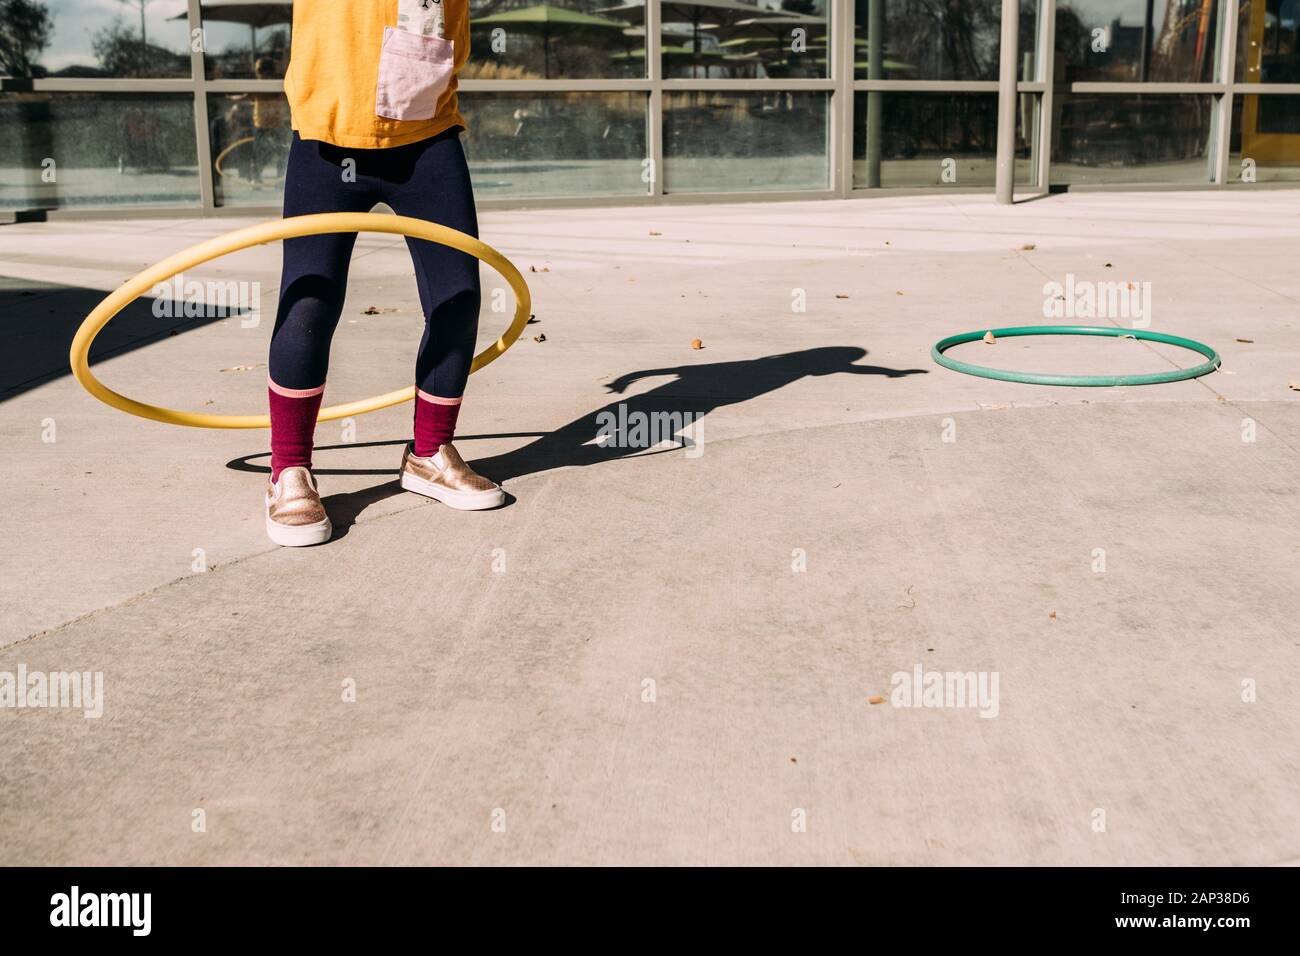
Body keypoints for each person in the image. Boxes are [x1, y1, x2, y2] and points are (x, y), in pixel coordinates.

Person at [265, 0, 503, 548]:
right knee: (309, 303)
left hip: (426, 131)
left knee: (457, 296)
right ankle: (289, 469)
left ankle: (428, 454)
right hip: (328, 133)